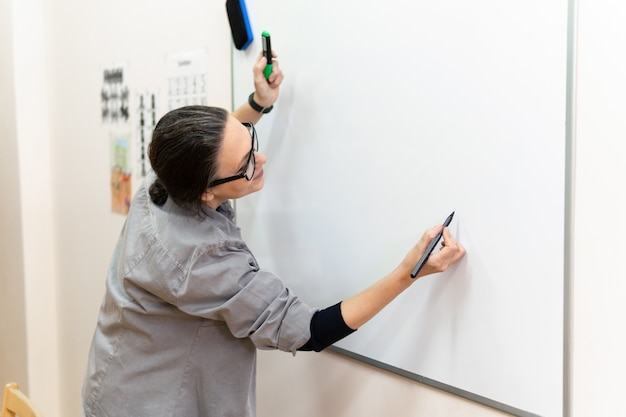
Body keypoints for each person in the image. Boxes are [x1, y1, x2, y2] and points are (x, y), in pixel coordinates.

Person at [82, 51, 466, 417]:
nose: (261, 159)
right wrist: (407, 271)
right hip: (149, 403)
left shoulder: (169, 170)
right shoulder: (201, 260)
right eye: (247, 163)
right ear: (206, 191)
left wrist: (257, 103)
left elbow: (214, 146)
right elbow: (308, 331)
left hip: (118, 377)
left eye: (251, 138)